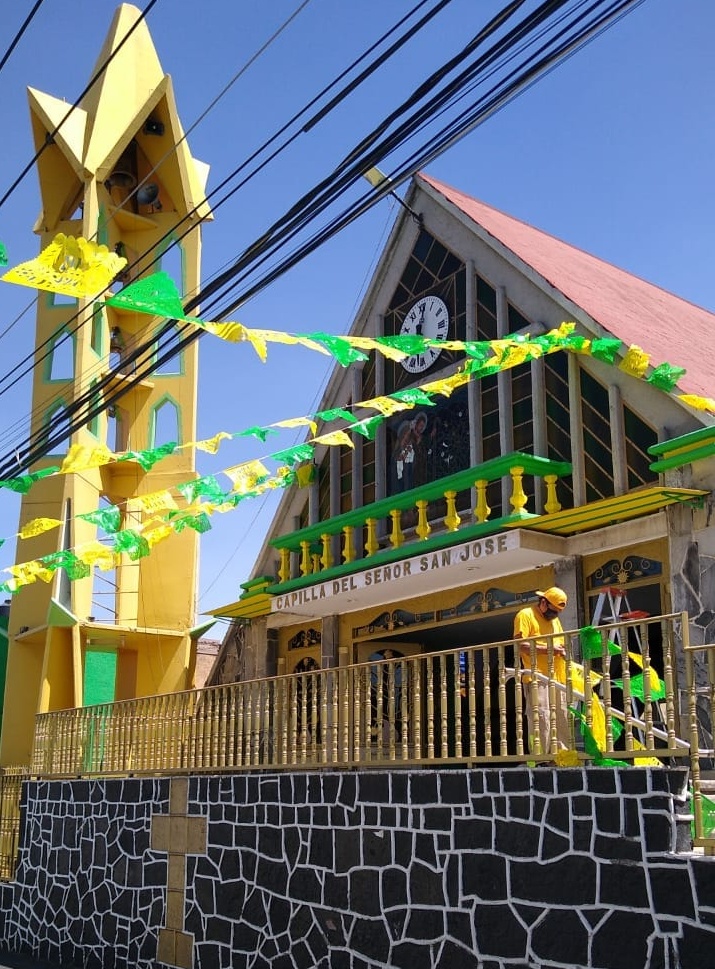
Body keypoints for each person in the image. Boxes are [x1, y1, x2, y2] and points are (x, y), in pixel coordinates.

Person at [513, 587, 570, 755]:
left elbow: (560, 644)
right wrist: (550, 649)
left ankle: (562, 757)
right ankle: (539, 758)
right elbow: (521, 645)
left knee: (562, 716)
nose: (554, 615)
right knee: (541, 718)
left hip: (557, 677)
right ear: (543, 602)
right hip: (537, 676)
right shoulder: (526, 615)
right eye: (553, 611)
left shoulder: (555, 621)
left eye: (558, 613)